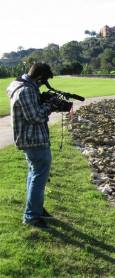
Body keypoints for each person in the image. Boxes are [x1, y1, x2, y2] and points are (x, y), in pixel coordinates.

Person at [7, 63, 56, 228]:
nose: (43, 84)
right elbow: (34, 117)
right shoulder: (26, 90)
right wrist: (50, 106)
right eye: (43, 81)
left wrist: (43, 102)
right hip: (34, 140)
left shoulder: (19, 84)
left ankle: (35, 209)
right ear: (39, 77)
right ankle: (31, 217)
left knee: (33, 175)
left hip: (31, 139)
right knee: (38, 178)